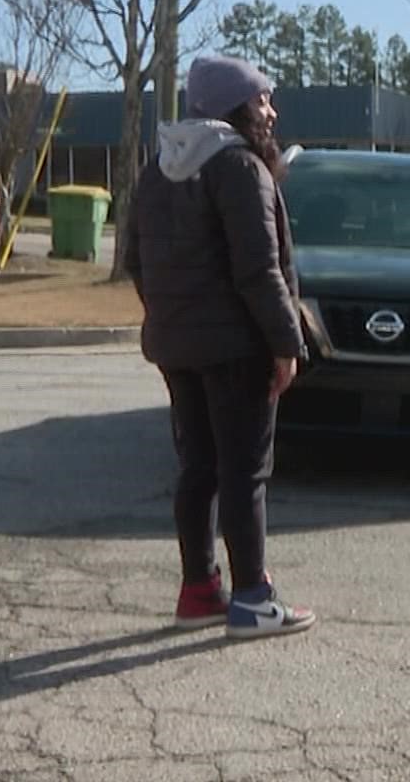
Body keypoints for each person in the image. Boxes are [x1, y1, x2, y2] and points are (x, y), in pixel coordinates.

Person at [121, 54, 318, 640]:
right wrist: (287, 344)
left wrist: (170, 318)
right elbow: (260, 270)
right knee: (245, 472)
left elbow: (135, 261)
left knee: (199, 468)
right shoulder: (239, 167)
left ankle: (199, 589)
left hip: (177, 347)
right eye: (261, 100)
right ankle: (253, 599)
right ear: (234, 107)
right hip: (238, 348)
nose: (271, 111)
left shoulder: (160, 169)